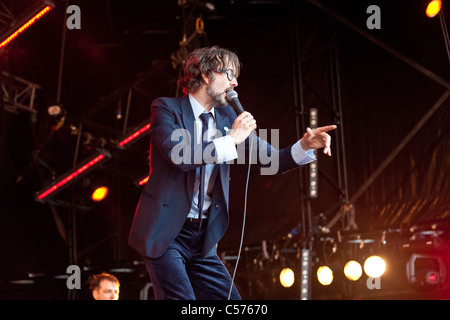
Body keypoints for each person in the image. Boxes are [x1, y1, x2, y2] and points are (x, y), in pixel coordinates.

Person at [128, 46, 336, 300]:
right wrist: (231, 140)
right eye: (228, 73)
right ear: (205, 74)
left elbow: (273, 160)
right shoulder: (166, 109)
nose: (235, 82)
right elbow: (178, 155)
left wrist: (304, 145)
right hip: (167, 232)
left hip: (203, 237)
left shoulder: (227, 118)